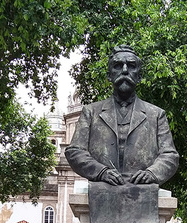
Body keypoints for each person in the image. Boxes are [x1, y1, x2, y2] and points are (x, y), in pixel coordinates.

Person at [65, 46, 178, 187]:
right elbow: (75, 151)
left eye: (131, 66)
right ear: (109, 75)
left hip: (142, 189)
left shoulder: (156, 115)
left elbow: (170, 156)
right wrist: (101, 172)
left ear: (139, 76)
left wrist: (152, 173)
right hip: (102, 188)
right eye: (118, 66)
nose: (125, 71)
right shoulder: (90, 112)